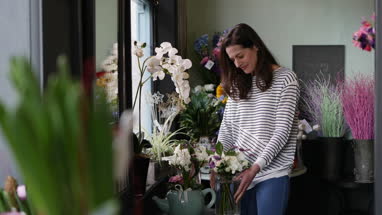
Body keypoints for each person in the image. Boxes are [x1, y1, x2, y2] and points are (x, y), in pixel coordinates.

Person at [210, 23, 300, 215]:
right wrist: (216, 164)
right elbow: (228, 129)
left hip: (272, 173)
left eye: (240, 56)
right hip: (238, 173)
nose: (237, 64)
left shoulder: (286, 79)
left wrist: (256, 168)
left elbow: (282, 132)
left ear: (256, 46)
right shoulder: (236, 84)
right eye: (232, 59)